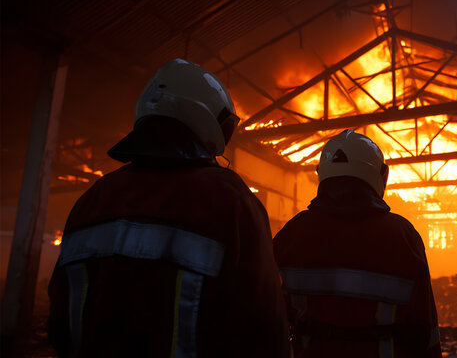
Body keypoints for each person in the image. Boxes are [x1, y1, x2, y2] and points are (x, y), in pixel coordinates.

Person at [48, 59, 289, 358]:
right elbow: (265, 327)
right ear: (208, 121)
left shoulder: (94, 198)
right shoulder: (230, 201)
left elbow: (59, 315)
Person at [273, 129, 442, 358]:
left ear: (321, 173)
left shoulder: (291, 234)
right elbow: (424, 329)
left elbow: (267, 314)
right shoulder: (403, 236)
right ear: (382, 175)